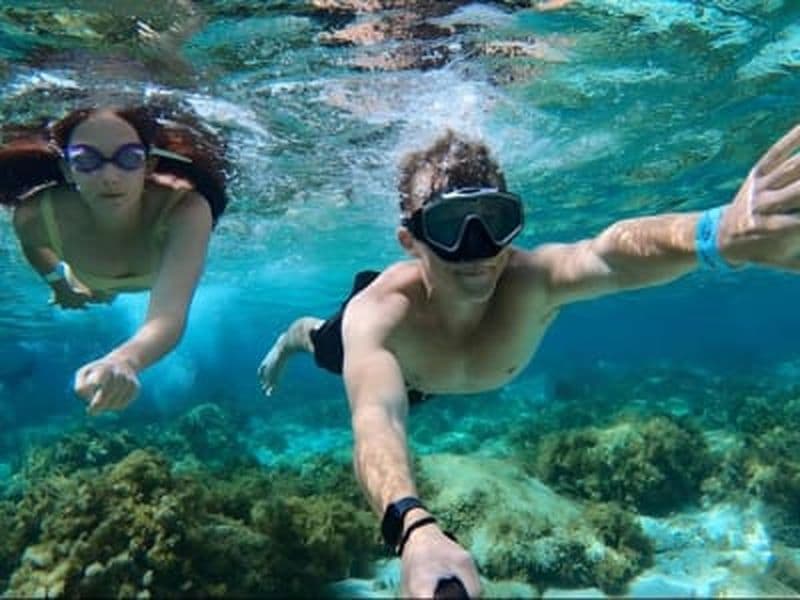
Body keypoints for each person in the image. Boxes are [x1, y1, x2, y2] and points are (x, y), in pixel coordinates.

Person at [259, 126, 800, 597]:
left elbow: (608, 252)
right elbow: (378, 421)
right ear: (411, 240)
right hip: (399, 363)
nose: (478, 250)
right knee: (316, 339)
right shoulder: (378, 316)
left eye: (493, 221)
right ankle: (286, 340)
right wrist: (413, 528)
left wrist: (715, 234)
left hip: (426, 371)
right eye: (450, 227)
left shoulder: (533, 282)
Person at [2, 104, 229, 416]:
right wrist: (60, 286)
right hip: (90, 281)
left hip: (145, 276)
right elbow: (34, 247)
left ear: (148, 166)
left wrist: (124, 359)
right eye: (86, 160)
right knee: (99, 295)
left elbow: (167, 318)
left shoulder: (185, 210)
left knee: (102, 293)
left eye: (128, 158)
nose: (109, 176)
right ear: (68, 170)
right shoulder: (35, 214)